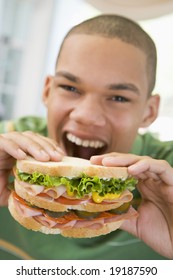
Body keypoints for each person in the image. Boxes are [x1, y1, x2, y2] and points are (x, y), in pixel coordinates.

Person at [0, 14, 173, 260]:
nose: (86, 116)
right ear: (48, 90)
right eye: (70, 88)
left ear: (150, 111)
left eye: (119, 97)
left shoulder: (168, 177)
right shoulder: (5, 147)